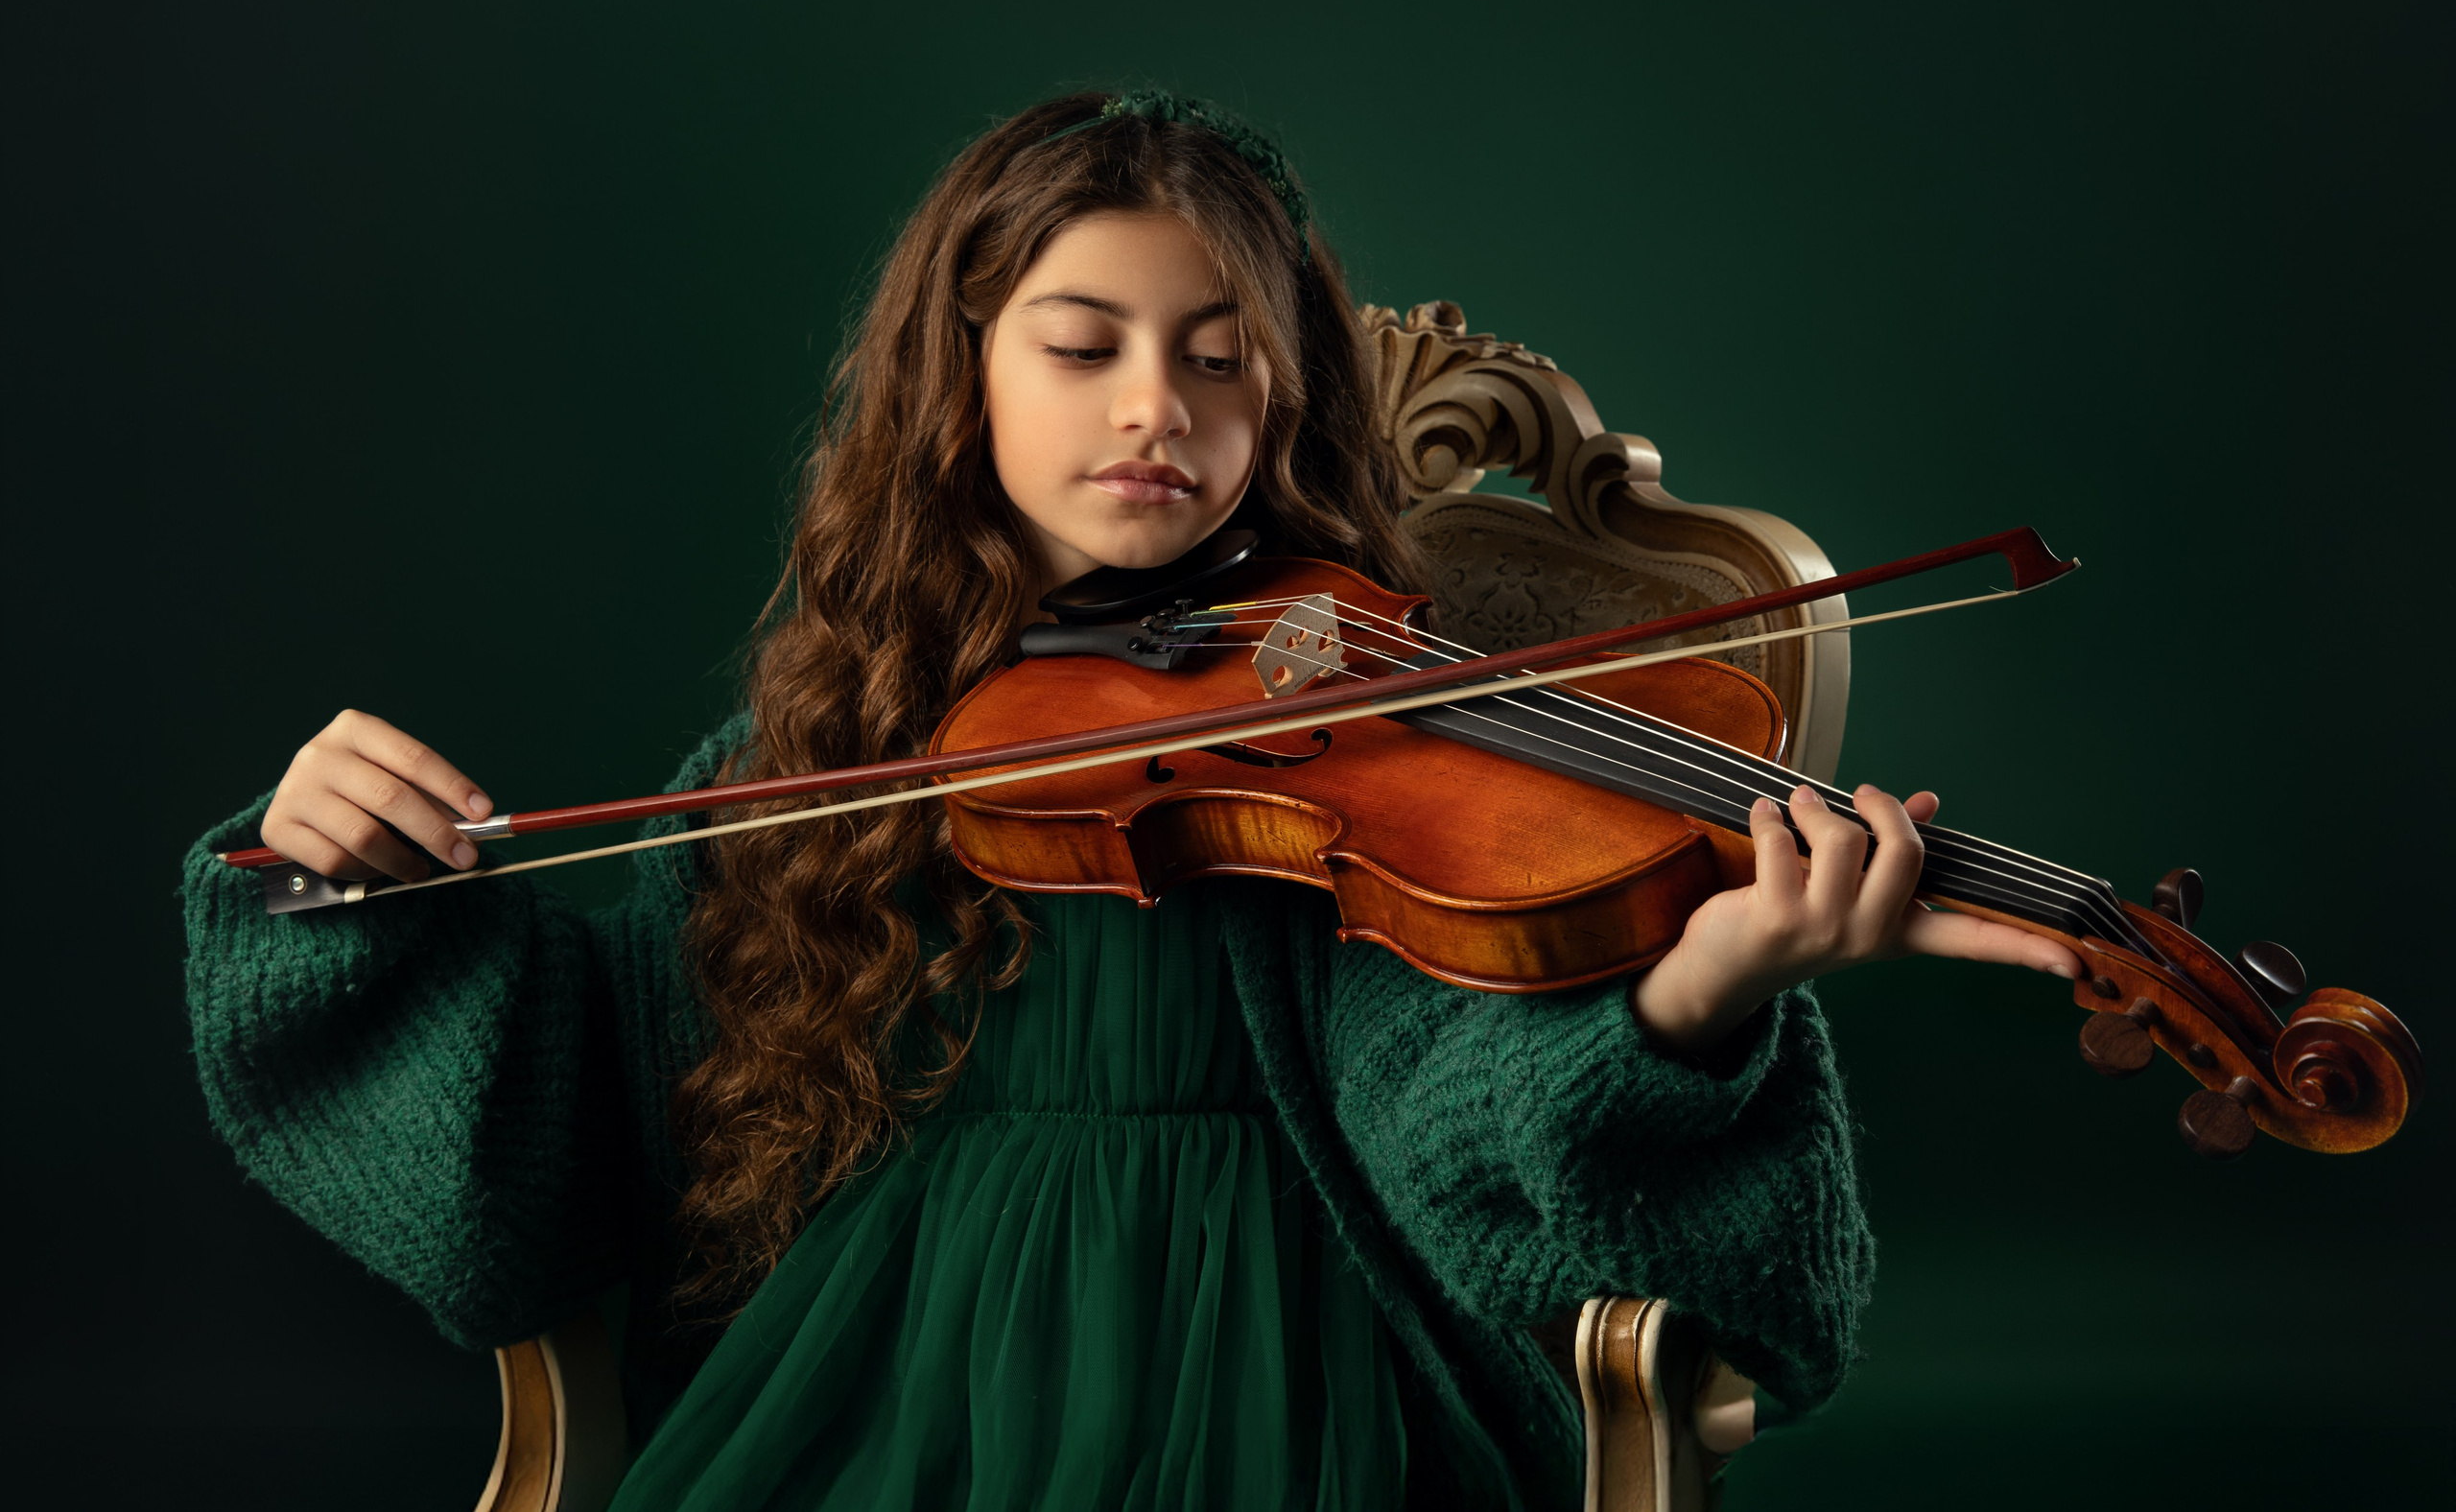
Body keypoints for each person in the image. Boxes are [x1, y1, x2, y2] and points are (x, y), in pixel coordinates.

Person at [182, 91, 2079, 1510]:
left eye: (1215, 352)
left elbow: (1454, 1095)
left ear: (1284, 396)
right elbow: (618, 1068)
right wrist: (369, 881)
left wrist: (1694, 989)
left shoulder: (1390, 708)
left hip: (1300, 1327)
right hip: (896, 1348)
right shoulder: (846, 723)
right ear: (965, 383)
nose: (1149, 406)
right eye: (1079, 346)